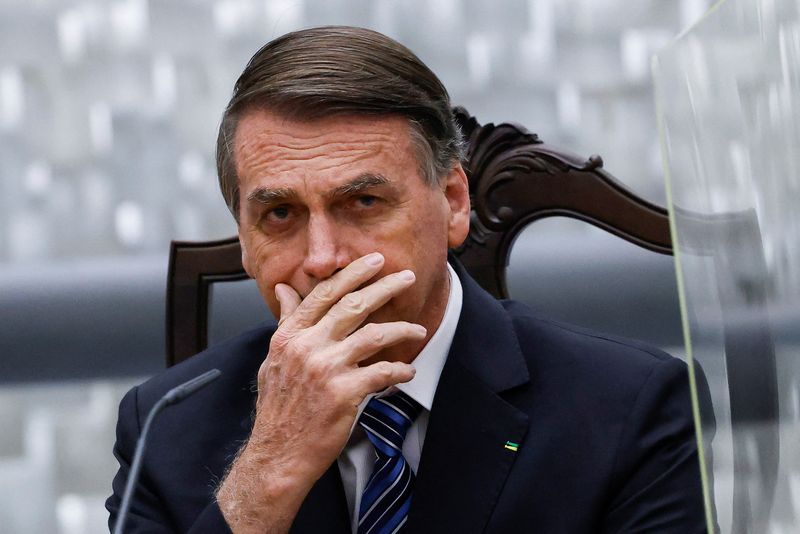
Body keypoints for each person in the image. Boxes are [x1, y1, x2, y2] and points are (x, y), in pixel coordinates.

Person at [106, 26, 708, 533]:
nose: (323, 259)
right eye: (280, 214)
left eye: (363, 201)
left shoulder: (628, 407)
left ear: (452, 202)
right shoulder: (163, 425)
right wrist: (267, 475)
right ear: (244, 240)